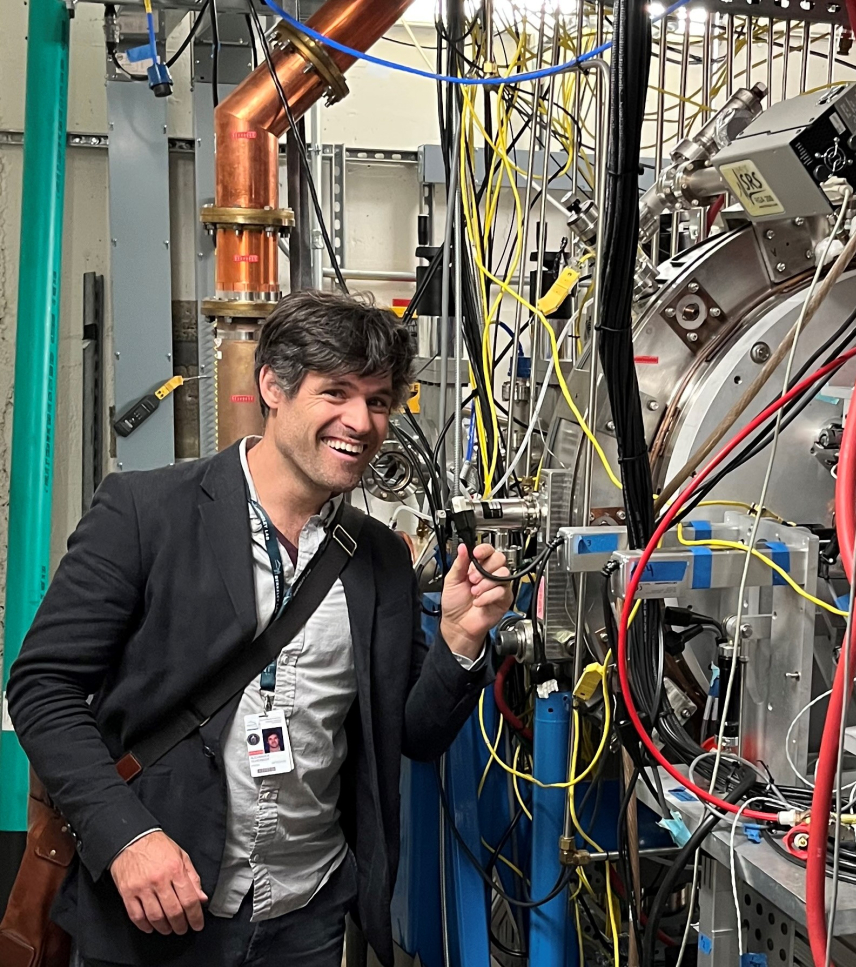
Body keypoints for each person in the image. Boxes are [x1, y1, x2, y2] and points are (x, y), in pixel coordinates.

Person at [7, 290, 511, 967]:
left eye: (379, 400)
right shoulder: (146, 512)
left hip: (305, 914)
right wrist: (127, 839)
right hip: (156, 905)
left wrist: (460, 638)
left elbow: (412, 733)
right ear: (273, 385)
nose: (360, 421)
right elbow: (44, 688)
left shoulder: (381, 559)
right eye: (335, 392)